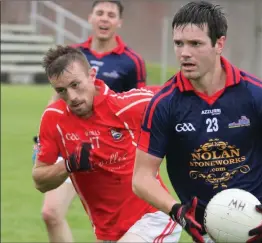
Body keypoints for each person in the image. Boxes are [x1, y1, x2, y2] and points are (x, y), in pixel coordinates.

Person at [132, 1, 262, 243]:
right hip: (211, 231)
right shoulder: (164, 105)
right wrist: (178, 211)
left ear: (219, 43)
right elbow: (141, 177)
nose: (184, 53)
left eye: (195, 44)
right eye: (178, 43)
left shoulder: (257, 94)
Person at [32, 45, 182, 242]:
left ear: (92, 75)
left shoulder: (128, 106)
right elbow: (39, 180)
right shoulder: (54, 118)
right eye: (61, 91)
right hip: (108, 232)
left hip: (153, 218)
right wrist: (68, 165)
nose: (72, 97)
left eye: (75, 85)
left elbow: (175, 94)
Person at [32, 1, 148, 242]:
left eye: (111, 14)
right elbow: (56, 100)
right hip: (72, 142)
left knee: (115, 227)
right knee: (50, 212)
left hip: (111, 148)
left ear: (119, 22)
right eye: (100, 13)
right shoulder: (72, 54)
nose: (104, 19)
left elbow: (140, 109)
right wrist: (43, 140)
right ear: (91, 18)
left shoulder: (131, 61)